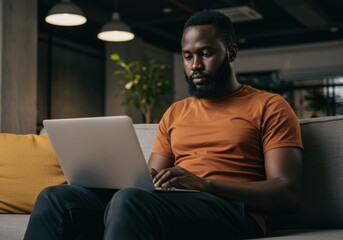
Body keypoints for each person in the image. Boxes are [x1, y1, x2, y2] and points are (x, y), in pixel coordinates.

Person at [24, 10, 303, 240]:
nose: (195, 65)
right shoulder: (176, 112)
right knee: (56, 198)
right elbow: (151, 176)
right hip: (174, 205)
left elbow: (286, 193)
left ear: (230, 52)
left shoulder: (270, 105)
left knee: (130, 202)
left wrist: (205, 185)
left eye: (205, 53)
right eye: (187, 55)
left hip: (235, 212)